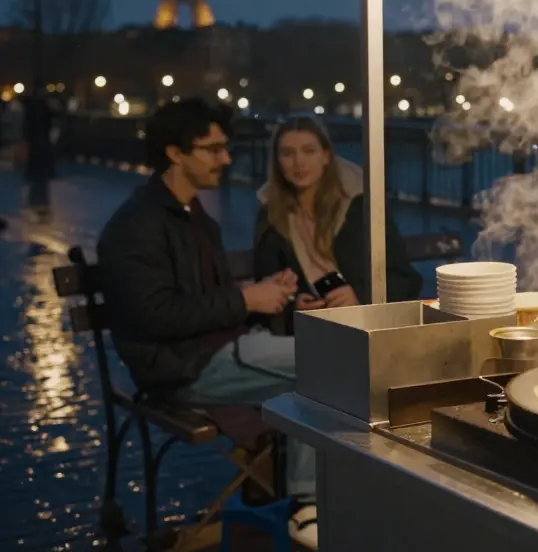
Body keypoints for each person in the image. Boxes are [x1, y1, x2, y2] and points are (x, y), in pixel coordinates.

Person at [97, 99, 319, 546]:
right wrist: (245, 299)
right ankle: (306, 507)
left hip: (216, 350)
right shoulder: (137, 225)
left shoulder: (191, 216)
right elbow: (154, 316)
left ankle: (312, 503)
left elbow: (203, 300)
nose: (226, 158)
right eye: (213, 149)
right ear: (176, 153)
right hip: (181, 367)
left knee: (327, 363)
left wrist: (261, 291)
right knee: (324, 368)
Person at [253, 115, 422, 327]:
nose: (299, 162)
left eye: (309, 151)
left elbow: (404, 279)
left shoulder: (360, 205)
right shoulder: (270, 214)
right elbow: (267, 283)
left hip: (366, 322)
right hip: (309, 328)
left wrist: (359, 296)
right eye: (288, 153)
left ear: (326, 156)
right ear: (277, 161)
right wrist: (295, 305)